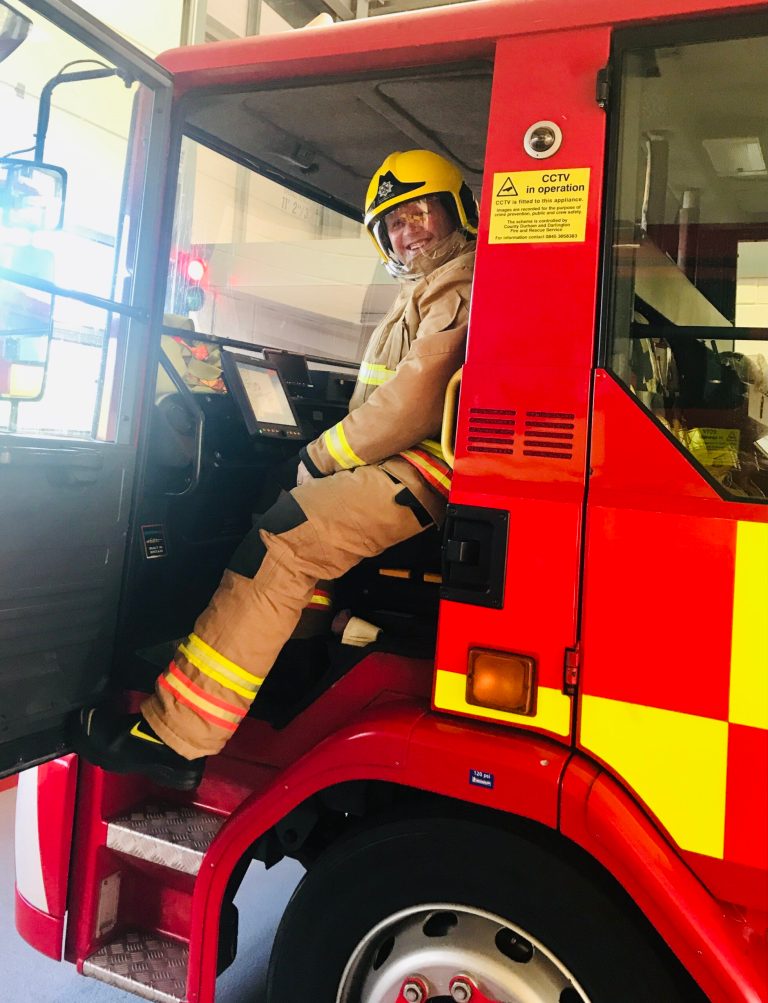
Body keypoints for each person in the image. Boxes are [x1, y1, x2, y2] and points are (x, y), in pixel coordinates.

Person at [74, 149, 479, 790]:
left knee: (283, 538)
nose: (409, 232)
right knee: (289, 512)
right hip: (415, 463)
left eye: (420, 213)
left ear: (457, 210)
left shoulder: (460, 285)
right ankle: (292, 661)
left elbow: (414, 401)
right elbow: (382, 393)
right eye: (394, 224)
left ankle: (177, 737)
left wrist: (312, 459)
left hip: (432, 469)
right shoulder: (427, 291)